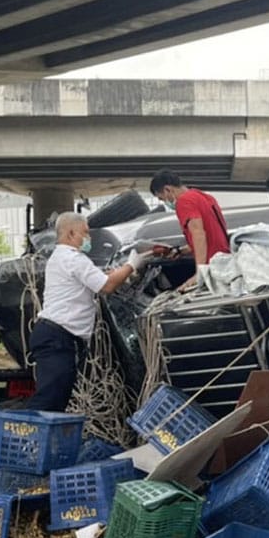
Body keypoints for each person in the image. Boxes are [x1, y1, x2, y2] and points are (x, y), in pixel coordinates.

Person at [29, 213, 151, 412]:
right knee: (49, 399)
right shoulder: (73, 258)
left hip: (55, 336)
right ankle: (26, 437)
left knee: (57, 398)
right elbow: (107, 286)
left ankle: (39, 440)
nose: (89, 238)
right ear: (70, 233)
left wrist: (121, 271)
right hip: (57, 337)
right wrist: (132, 264)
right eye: (85, 233)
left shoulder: (61, 257)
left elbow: (100, 278)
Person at [149, 170, 230, 287]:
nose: (165, 202)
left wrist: (200, 273)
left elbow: (199, 234)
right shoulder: (203, 196)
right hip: (224, 259)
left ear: (167, 190)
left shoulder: (184, 202)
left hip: (212, 265)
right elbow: (212, 234)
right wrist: (180, 251)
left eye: (162, 199)